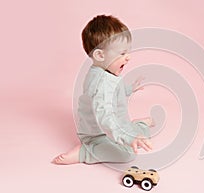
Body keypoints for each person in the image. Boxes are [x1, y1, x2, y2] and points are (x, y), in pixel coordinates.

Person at [52, 15, 154, 165]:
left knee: (136, 136)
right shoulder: (103, 84)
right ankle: (85, 153)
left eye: (127, 52)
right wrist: (127, 137)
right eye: (122, 53)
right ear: (100, 55)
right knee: (128, 154)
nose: (128, 58)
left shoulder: (100, 71)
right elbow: (105, 116)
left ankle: (138, 126)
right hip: (99, 135)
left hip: (114, 126)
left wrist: (129, 89)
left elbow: (113, 93)